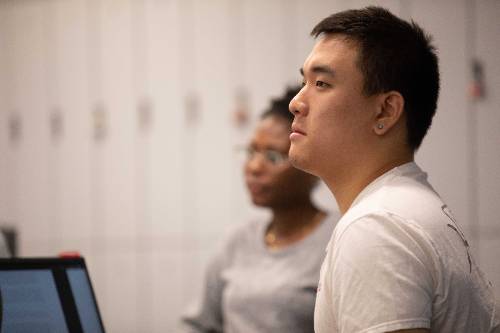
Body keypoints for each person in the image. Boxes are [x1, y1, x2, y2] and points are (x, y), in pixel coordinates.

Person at [288, 6, 499, 333]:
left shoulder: (377, 228)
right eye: (304, 81)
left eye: (321, 83)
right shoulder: (402, 208)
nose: (296, 102)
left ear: (385, 110)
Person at [181, 86, 338, 333]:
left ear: (311, 166)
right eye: (252, 151)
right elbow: (200, 324)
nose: (253, 167)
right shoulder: (237, 240)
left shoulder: (338, 239)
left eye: (273, 157)